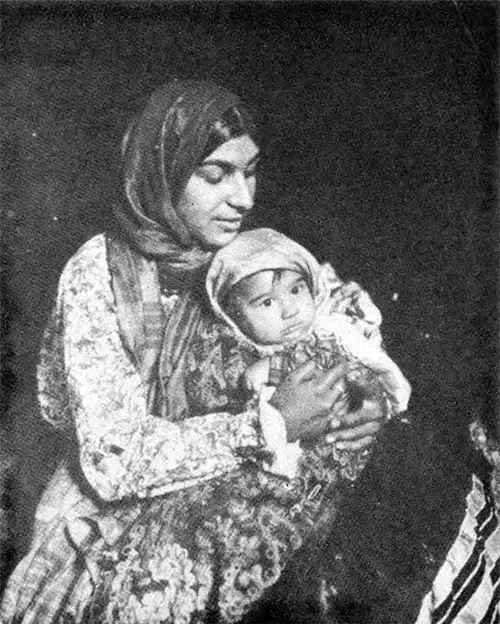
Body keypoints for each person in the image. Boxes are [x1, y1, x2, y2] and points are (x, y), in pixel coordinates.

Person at [0, 80, 387, 624]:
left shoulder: (248, 254)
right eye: (215, 175)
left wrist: (359, 402)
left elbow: (326, 321)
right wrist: (270, 424)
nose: (244, 199)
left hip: (241, 498)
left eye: (250, 171)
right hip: (118, 515)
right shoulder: (100, 271)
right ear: (161, 171)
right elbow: (113, 462)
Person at [204, 227, 411, 480]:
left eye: (296, 290)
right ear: (233, 316)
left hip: (346, 442)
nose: (289, 310)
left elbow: (329, 360)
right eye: (267, 302)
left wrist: (273, 366)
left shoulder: (327, 329)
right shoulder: (231, 353)